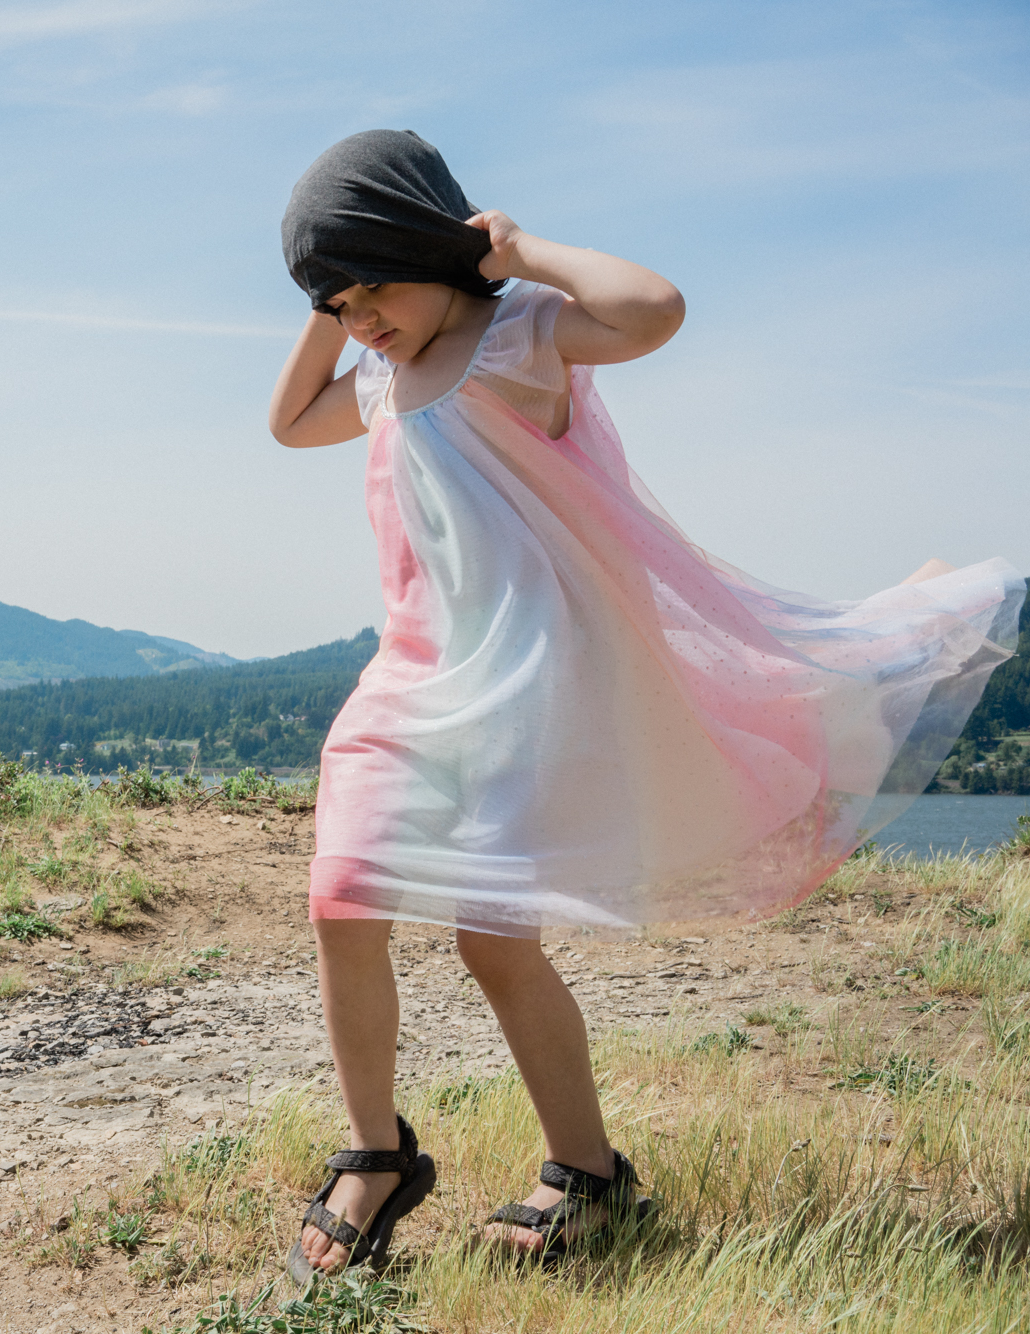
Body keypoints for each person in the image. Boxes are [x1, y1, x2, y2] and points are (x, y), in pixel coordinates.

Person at [266, 130, 1024, 1279]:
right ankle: (375, 1149)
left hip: (527, 679)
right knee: (338, 892)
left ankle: (587, 1171)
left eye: (377, 283)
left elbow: (653, 307)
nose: (359, 315)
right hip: (415, 672)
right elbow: (286, 420)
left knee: (491, 936)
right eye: (336, 296)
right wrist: (336, 301)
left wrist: (521, 249)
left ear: (440, 249)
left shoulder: (515, 334)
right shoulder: (374, 370)